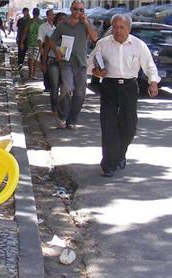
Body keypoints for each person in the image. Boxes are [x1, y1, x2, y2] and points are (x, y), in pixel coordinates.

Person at [87, 14, 159, 177]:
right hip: (109, 87)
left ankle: (120, 154)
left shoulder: (138, 45)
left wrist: (153, 82)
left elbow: (150, 66)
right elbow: (90, 64)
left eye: (122, 27)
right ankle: (108, 165)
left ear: (129, 28)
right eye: (115, 27)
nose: (118, 31)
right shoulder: (103, 44)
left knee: (129, 127)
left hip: (129, 87)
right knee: (108, 126)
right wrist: (95, 71)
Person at [46, 0, 97, 130]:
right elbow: (51, 41)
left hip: (81, 64)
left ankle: (72, 120)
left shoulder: (85, 24)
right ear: (71, 9)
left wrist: (86, 22)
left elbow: (94, 37)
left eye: (81, 10)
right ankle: (62, 116)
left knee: (80, 93)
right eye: (76, 9)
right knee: (66, 89)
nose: (78, 12)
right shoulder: (63, 24)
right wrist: (57, 51)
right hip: (66, 63)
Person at [42, 12, 67, 114]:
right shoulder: (50, 34)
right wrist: (44, 64)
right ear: (56, 22)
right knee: (54, 85)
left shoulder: (69, 35)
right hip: (53, 62)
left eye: (64, 20)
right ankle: (54, 108)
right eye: (60, 19)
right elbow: (46, 50)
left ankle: (63, 108)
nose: (63, 21)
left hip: (66, 64)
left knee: (65, 87)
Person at [20, 8, 43, 79]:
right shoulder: (41, 22)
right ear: (39, 13)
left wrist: (22, 42)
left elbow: (25, 32)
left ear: (33, 13)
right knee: (36, 59)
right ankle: (33, 74)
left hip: (29, 42)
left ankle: (30, 73)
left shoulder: (29, 22)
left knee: (30, 58)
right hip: (38, 43)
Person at [38, 9, 56, 92]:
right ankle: (47, 86)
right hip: (46, 49)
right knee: (45, 67)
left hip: (55, 49)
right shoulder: (43, 27)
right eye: (50, 15)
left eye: (53, 14)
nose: (52, 16)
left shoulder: (57, 26)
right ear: (47, 16)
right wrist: (41, 48)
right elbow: (40, 38)